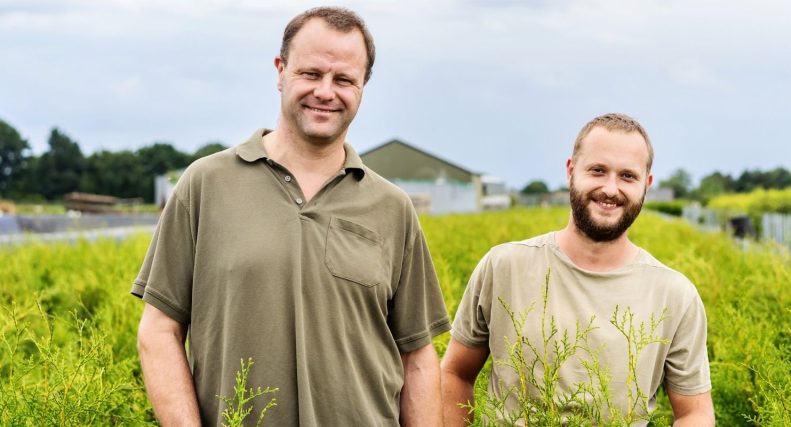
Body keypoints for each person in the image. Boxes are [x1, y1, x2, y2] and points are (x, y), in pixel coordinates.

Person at [132, 7, 449, 426]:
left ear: (363, 86)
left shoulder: (392, 207)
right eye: (311, 73)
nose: (325, 91)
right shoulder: (206, 184)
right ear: (280, 71)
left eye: (344, 80)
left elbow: (418, 357)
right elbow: (158, 332)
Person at [441, 113, 714, 426]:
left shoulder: (674, 294)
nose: (610, 189)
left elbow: (694, 412)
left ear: (646, 186)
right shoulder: (504, 267)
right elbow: (455, 374)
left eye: (627, 176)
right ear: (571, 171)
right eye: (598, 170)